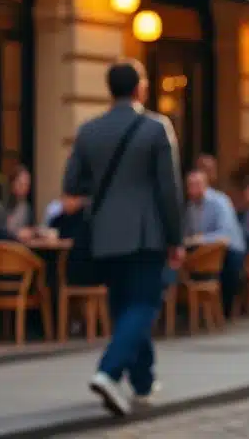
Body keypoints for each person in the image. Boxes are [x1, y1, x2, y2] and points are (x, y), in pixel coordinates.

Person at [62, 60, 185, 417]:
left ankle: (143, 384)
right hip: (147, 235)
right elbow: (168, 190)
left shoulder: (89, 131)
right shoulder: (155, 128)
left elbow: (71, 185)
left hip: (104, 234)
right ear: (140, 89)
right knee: (144, 306)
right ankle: (109, 371)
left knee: (124, 309)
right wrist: (176, 239)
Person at [183, 168, 248, 317]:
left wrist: (199, 239)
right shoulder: (190, 207)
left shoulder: (219, 201)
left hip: (230, 249)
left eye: (197, 184)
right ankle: (193, 310)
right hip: (204, 250)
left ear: (205, 184)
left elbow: (225, 235)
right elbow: (188, 233)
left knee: (228, 264)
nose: (193, 188)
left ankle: (224, 311)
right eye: (190, 185)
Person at [0, 165, 35, 233]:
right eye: (20, 184)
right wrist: (17, 234)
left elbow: (29, 230)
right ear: (12, 183)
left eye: (26, 185)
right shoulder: (0, 208)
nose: (24, 188)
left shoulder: (26, 208)